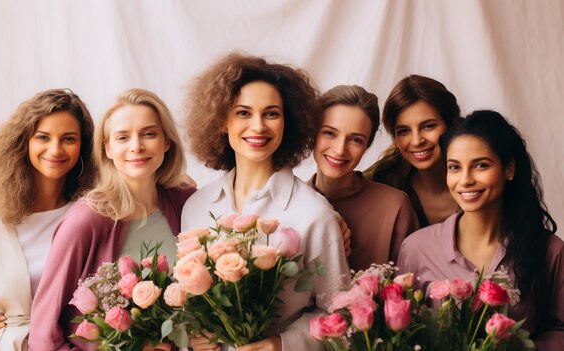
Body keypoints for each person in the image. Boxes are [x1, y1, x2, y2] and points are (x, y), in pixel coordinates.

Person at [181, 53, 349, 351]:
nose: (258, 126)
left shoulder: (314, 213)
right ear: (221, 120)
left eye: (271, 113)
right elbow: (190, 301)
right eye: (243, 113)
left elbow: (339, 313)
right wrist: (192, 335)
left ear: (289, 122)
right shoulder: (195, 206)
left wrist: (284, 344)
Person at [29, 89, 195, 350]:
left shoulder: (186, 202)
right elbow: (42, 334)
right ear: (106, 147)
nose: (136, 146)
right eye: (122, 137)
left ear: (166, 141)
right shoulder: (85, 221)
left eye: (149, 133)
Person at [0, 89, 96, 350]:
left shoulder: (91, 216)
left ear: (84, 147)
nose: (55, 149)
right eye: (43, 137)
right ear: (24, 141)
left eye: (68, 138)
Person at [397, 110, 563, 348]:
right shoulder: (416, 248)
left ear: (509, 169)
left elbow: (560, 329)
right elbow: (404, 334)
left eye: (480, 165)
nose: (465, 180)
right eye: (454, 167)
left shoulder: (551, 250)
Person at [308, 85, 419, 271]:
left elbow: (412, 288)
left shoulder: (395, 206)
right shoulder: (292, 202)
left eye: (356, 139)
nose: (340, 149)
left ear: (367, 145)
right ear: (313, 134)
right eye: (330, 133)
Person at [364, 75, 461, 227]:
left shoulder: (482, 174)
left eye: (428, 126)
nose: (417, 141)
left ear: (451, 125)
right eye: (404, 131)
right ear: (395, 137)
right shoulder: (380, 178)